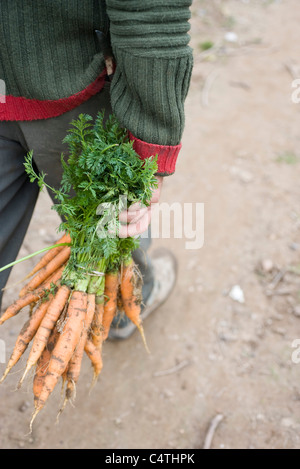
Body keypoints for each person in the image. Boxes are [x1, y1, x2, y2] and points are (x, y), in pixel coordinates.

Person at [0, 0, 193, 339]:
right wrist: (152, 143)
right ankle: (123, 311)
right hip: (71, 85)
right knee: (116, 224)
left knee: (109, 227)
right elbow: (151, 10)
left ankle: (119, 310)